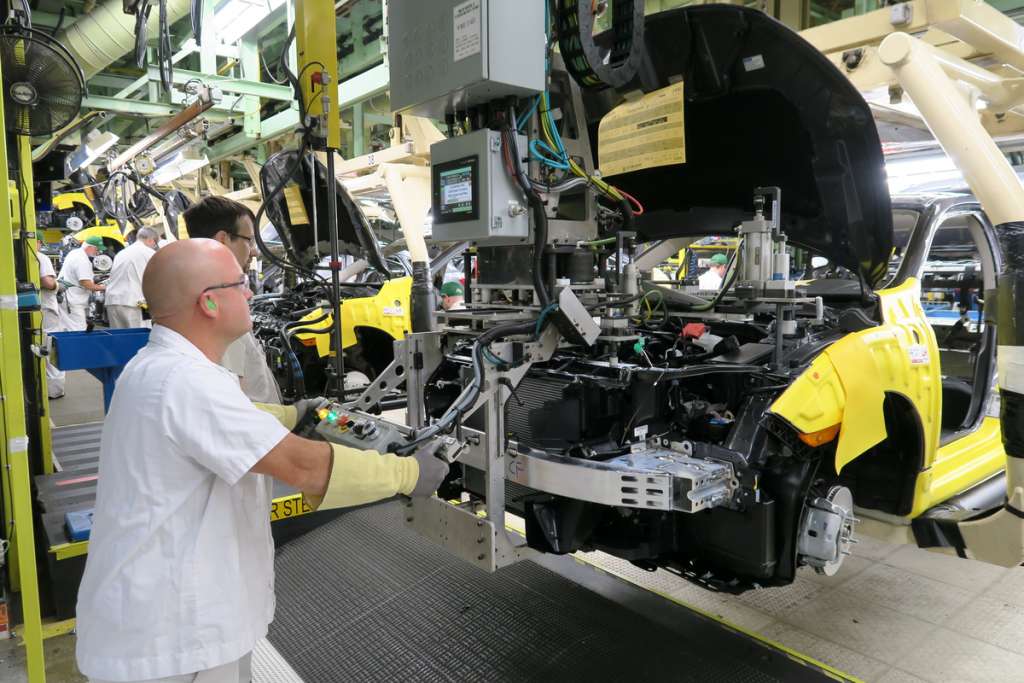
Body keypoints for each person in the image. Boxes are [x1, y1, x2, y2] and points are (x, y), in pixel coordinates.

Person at [75, 239, 449, 683]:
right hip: (175, 640)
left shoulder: (161, 366)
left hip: (158, 619)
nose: (252, 292)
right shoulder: (186, 382)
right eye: (241, 282)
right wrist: (408, 472)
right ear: (209, 302)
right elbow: (303, 467)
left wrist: (293, 415)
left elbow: (225, 422)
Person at [182, 197, 282, 403]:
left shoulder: (190, 287)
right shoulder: (221, 302)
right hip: (253, 426)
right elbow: (232, 393)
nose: (253, 250)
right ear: (223, 239)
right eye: (249, 240)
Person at [105, 227, 160, 329]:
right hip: (133, 304)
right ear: (151, 240)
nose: (154, 246)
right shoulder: (148, 253)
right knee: (138, 340)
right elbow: (159, 279)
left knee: (119, 340)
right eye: (155, 244)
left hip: (113, 302)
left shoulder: (121, 253)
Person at [57, 235, 106, 331]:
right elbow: (86, 283)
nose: (98, 252)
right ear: (89, 247)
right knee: (78, 330)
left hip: (66, 298)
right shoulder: (81, 260)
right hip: (73, 301)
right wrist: (105, 288)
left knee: (67, 329)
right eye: (97, 249)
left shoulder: (75, 253)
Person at [35, 245, 65, 398]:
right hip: (46, 308)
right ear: (38, 242)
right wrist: (58, 286)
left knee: (39, 344)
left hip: (36, 307)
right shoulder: (41, 257)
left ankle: (43, 388)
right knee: (50, 344)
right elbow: (47, 282)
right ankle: (55, 390)